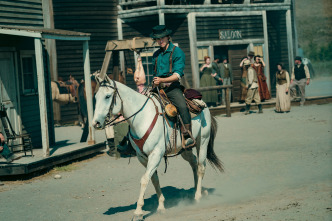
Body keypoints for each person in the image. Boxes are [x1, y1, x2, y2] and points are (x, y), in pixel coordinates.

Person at [151, 25, 194, 148]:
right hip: (157, 88)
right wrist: (155, 82)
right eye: (157, 39)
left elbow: (177, 76)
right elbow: (155, 74)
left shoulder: (177, 52)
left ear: (168, 37)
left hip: (172, 88)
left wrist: (162, 80)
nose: (160, 41)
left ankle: (187, 135)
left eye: (162, 38)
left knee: (182, 106)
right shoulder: (156, 55)